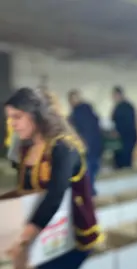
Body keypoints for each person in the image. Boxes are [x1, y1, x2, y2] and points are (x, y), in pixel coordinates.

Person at [2, 87, 102, 269]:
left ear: (35, 115)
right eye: (9, 118)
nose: (12, 124)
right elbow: (26, 192)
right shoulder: (27, 148)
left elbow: (55, 195)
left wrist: (25, 238)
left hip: (70, 236)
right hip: (42, 234)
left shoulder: (64, 147)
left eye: (17, 117)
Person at [68, 89, 103, 195]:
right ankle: (91, 192)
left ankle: (89, 193)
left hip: (86, 147)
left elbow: (80, 131)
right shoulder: (90, 110)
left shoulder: (77, 113)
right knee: (92, 170)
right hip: (96, 146)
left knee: (87, 171)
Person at [111, 86, 137, 169]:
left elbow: (127, 124)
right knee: (124, 161)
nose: (113, 98)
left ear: (119, 95)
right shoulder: (125, 106)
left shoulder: (124, 107)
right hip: (126, 137)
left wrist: (117, 132)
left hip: (126, 138)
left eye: (114, 95)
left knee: (124, 161)